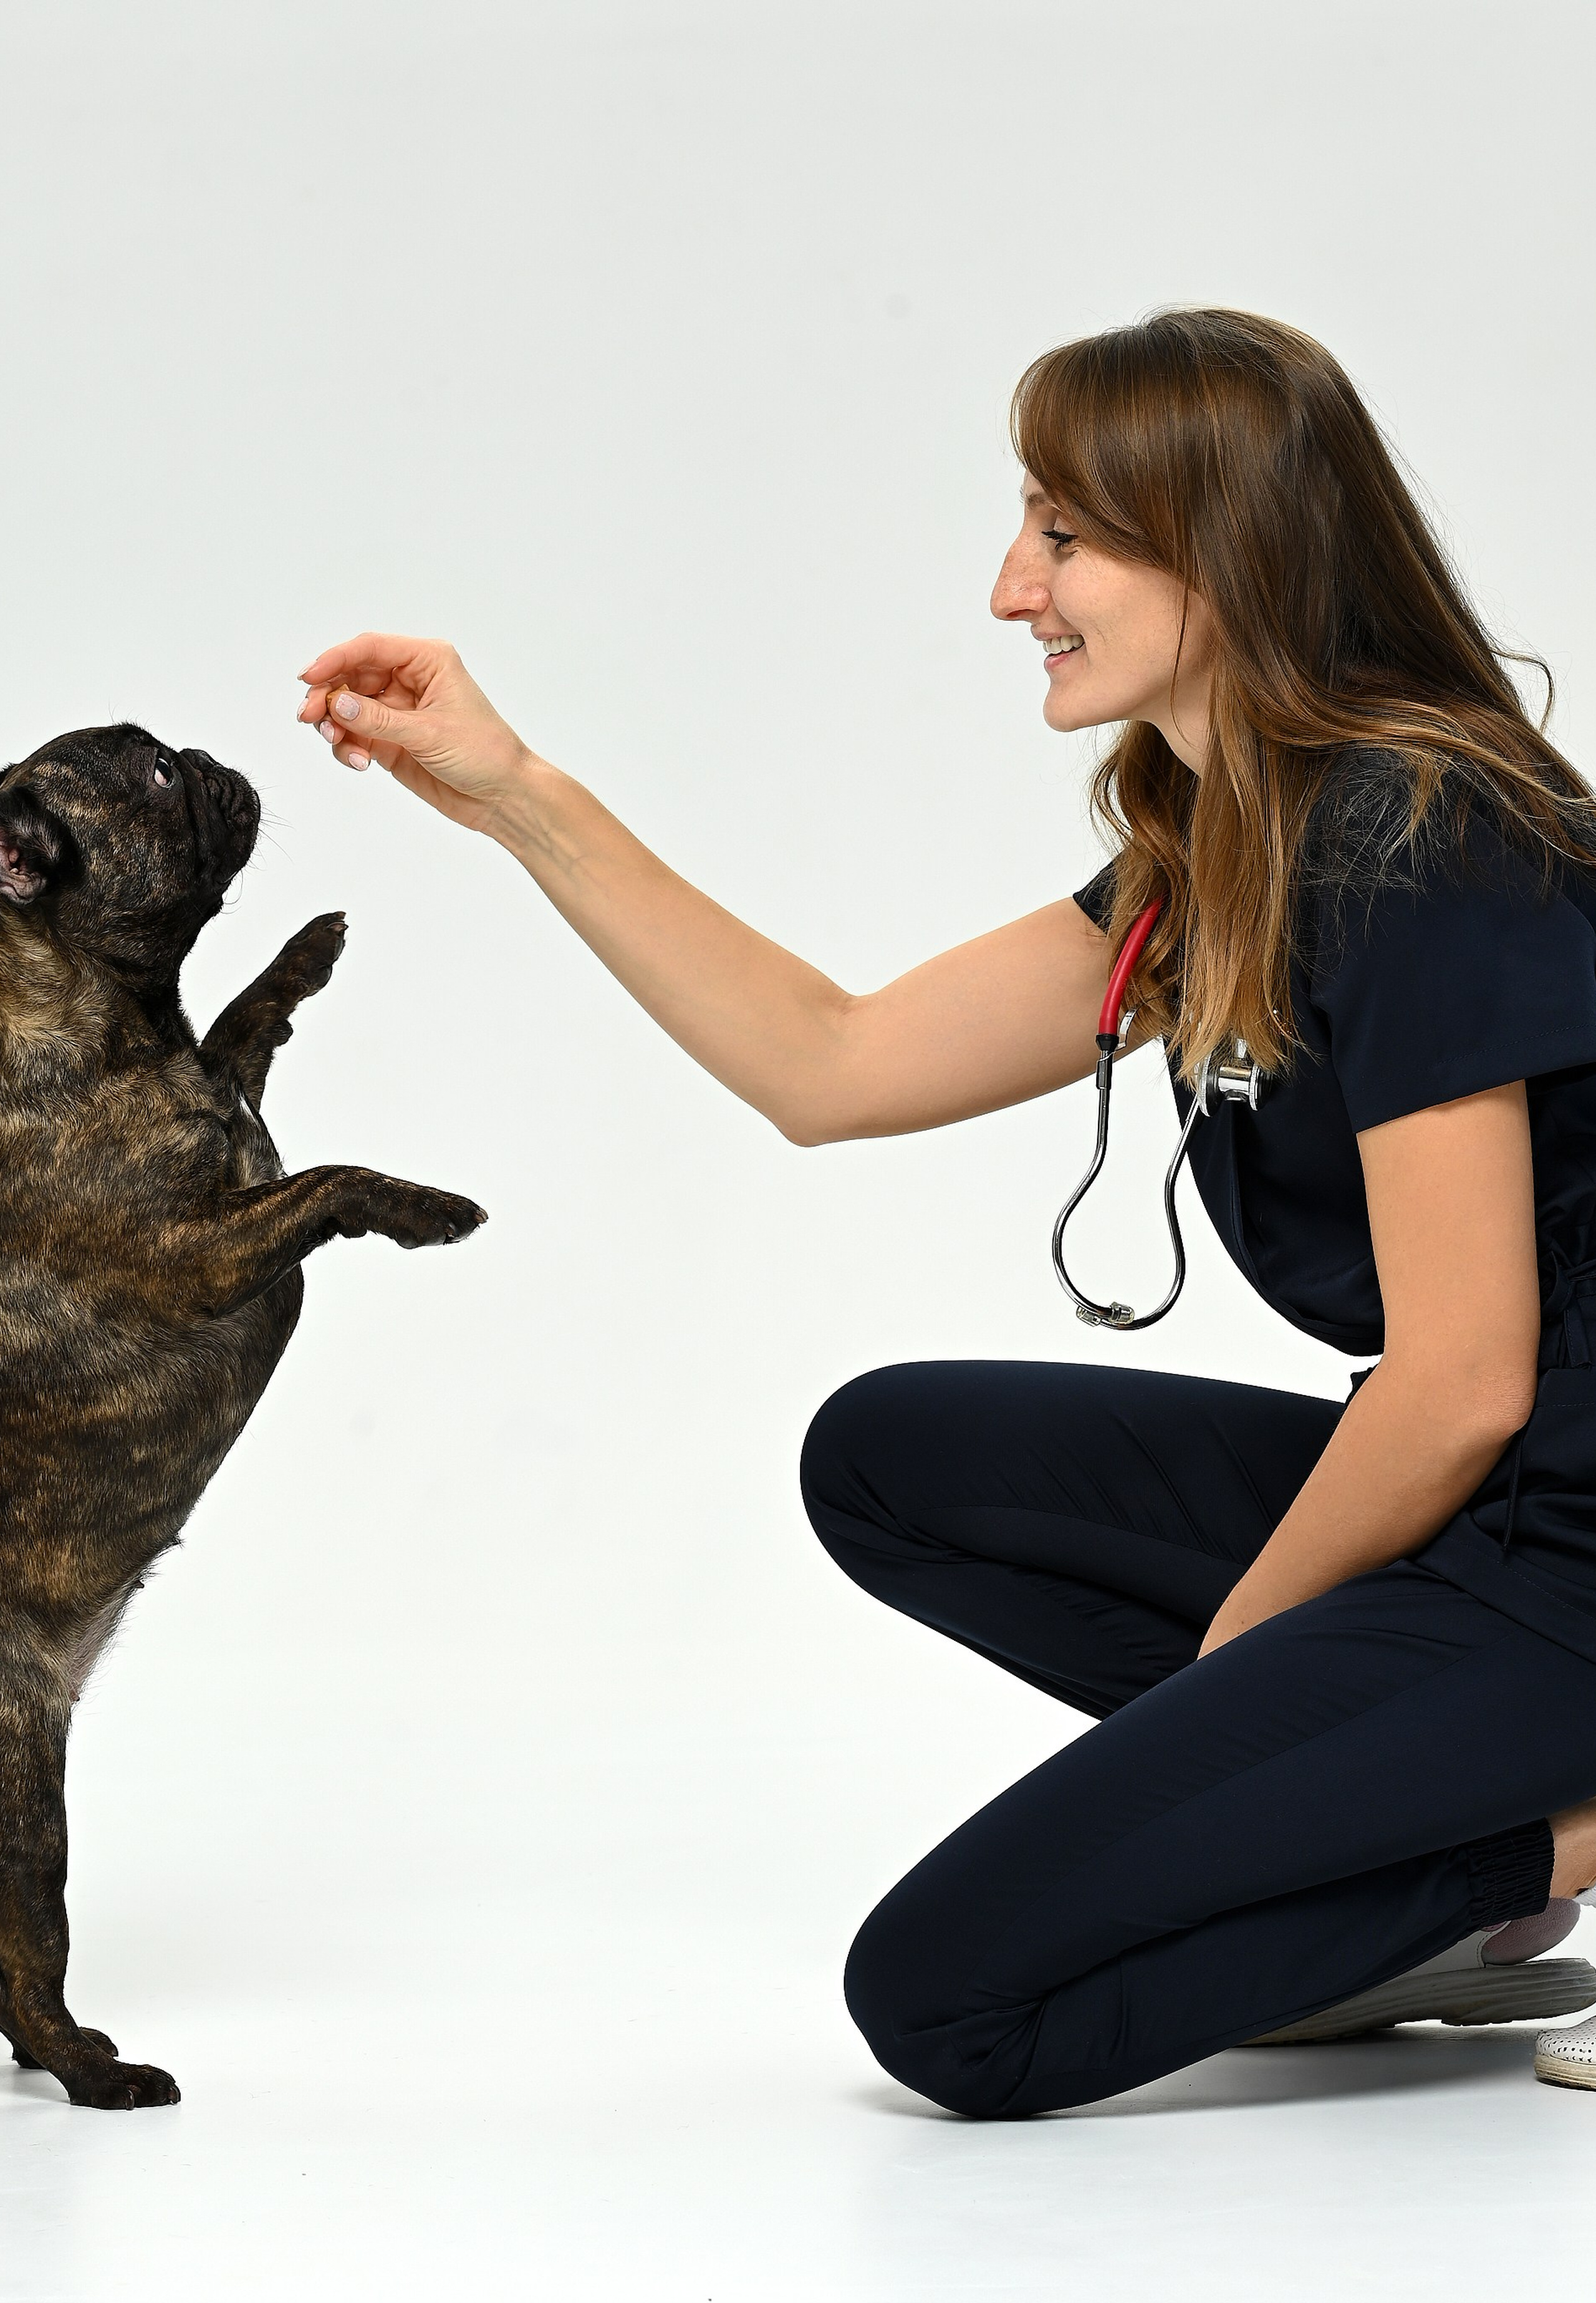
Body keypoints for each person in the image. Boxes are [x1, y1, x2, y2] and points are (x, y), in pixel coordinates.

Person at [296, 308, 1596, 2116]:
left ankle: (1550, 1843)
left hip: (1570, 1559)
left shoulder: (1423, 835)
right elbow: (830, 1064)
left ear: (1223, 547)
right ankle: (1388, 1860)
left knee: (949, 2006)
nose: (1011, 588)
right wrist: (518, 797)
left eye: (1064, 534)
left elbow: (1462, 1380)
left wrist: (1249, 1659)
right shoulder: (1221, 846)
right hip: (1500, 1522)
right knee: (892, 1456)